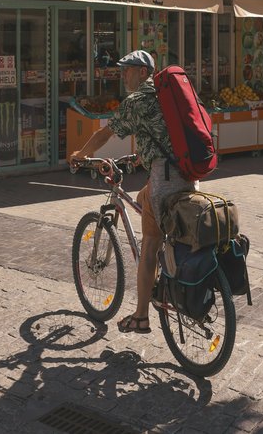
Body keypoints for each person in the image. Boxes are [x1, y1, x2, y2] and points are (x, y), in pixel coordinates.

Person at [69, 49, 198, 334]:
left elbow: (106, 133)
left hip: (166, 178)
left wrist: (81, 153)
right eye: (122, 69)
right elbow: (165, 133)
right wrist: (143, 155)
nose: (123, 74)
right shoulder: (168, 97)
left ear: (144, 72)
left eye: (129, 69)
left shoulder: (138, 100)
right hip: (188, 174)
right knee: (143, 198)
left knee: (149, 242)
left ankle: (141, 316)